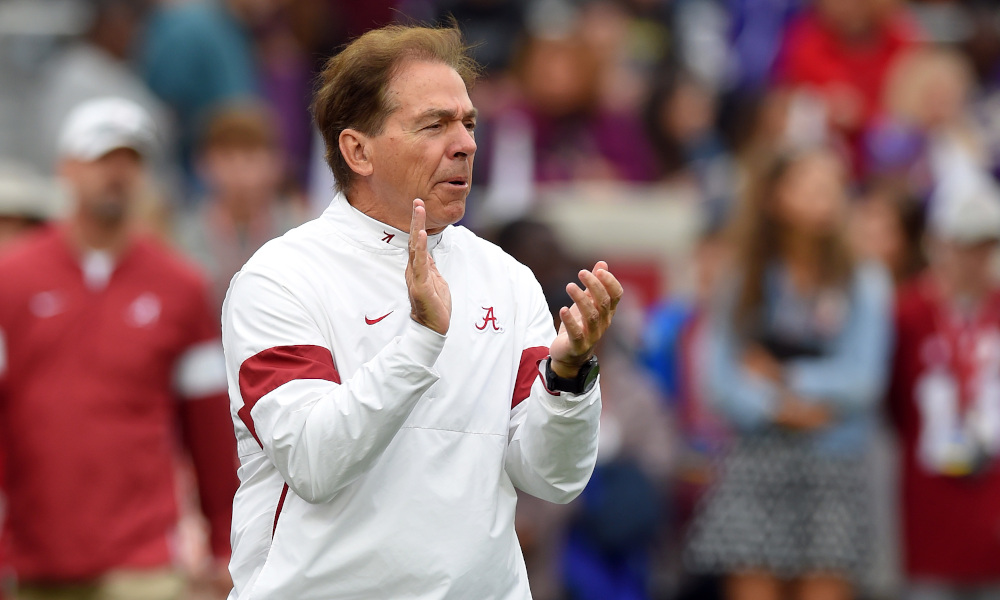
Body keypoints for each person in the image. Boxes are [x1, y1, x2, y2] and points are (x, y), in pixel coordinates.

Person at [222, 24, 623, 599]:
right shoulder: (279, 277)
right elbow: (313, 461)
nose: (465, 143)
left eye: (468, 123)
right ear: (357, 150)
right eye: (434, 124)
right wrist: (420, 340)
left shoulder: (506, 279)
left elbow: (552, 479)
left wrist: (568, 377)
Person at [0, 97, 238, 600]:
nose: (117, 174)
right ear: (65, 167)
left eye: (130, 160)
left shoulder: (181, 285)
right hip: (32, 556)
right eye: (101, 158)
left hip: (144, 559)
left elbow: (210, 429)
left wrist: (225, 542)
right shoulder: (11, 280)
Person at [685, 148, 893, 600]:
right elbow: (719, 380)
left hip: (835, 462)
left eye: (833, 185)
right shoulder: (742, 277)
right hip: (755, 459)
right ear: (775, 198)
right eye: (809, 184)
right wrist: (779, 411)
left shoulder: (864, 280)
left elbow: (863, 380)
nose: (826, 196)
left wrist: (779, 376)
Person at [888, 172, 1000, 600]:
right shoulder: (908, 314)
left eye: (985, 244)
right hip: (927, 498)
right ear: (938, 243)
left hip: (991, 498)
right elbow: (892, 404)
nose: (974, 257)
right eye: (963, 243)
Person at [175, 103, 305, 306]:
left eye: (250, 157)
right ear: (202, 163)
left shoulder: (301, 229)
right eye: (227, 157)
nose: (239, 170)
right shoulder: (182, 234)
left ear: (277, 163)